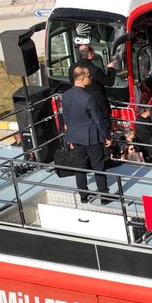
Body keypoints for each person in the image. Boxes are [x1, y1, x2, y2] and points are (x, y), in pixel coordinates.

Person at [62, 67, 111, 203]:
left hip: (76, 137)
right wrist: (107, 136)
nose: (91, 78)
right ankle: (104, 196)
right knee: (98, 166)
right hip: (92, 137)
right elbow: (98, 120)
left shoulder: (65, 95)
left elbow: (66, 116)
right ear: (82, 79)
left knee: (80, 167)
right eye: (89, 76)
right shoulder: (88, 97)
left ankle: (83, 196)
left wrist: (69, 135)